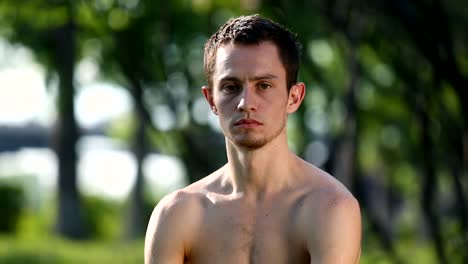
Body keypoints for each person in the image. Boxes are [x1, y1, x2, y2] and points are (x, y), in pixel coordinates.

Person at [145, 14, 361, 263]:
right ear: (211, 100)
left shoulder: (328, 207)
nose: (246, 103)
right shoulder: (177, 214)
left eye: (264, 86)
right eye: (230, 87)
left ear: (294, 97)